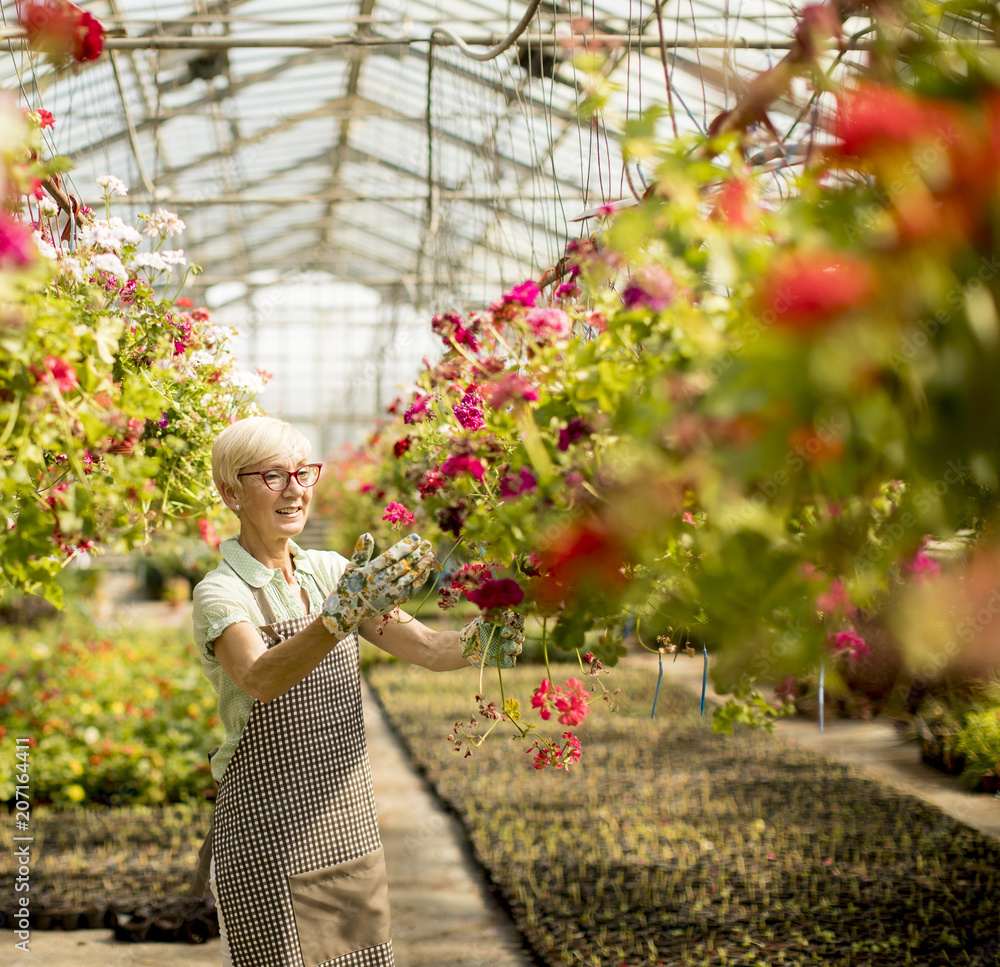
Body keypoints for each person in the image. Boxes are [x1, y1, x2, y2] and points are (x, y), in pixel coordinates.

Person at [190, 416, 523, 967]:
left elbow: (428, 650)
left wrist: (485, 633)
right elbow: (259, 677)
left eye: (303, 472)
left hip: (345, 820)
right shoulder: (221, 592)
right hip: (267, 829)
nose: (295, 489)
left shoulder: (331, 571)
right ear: (230, 491)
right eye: (273, 476)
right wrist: (337, 618)